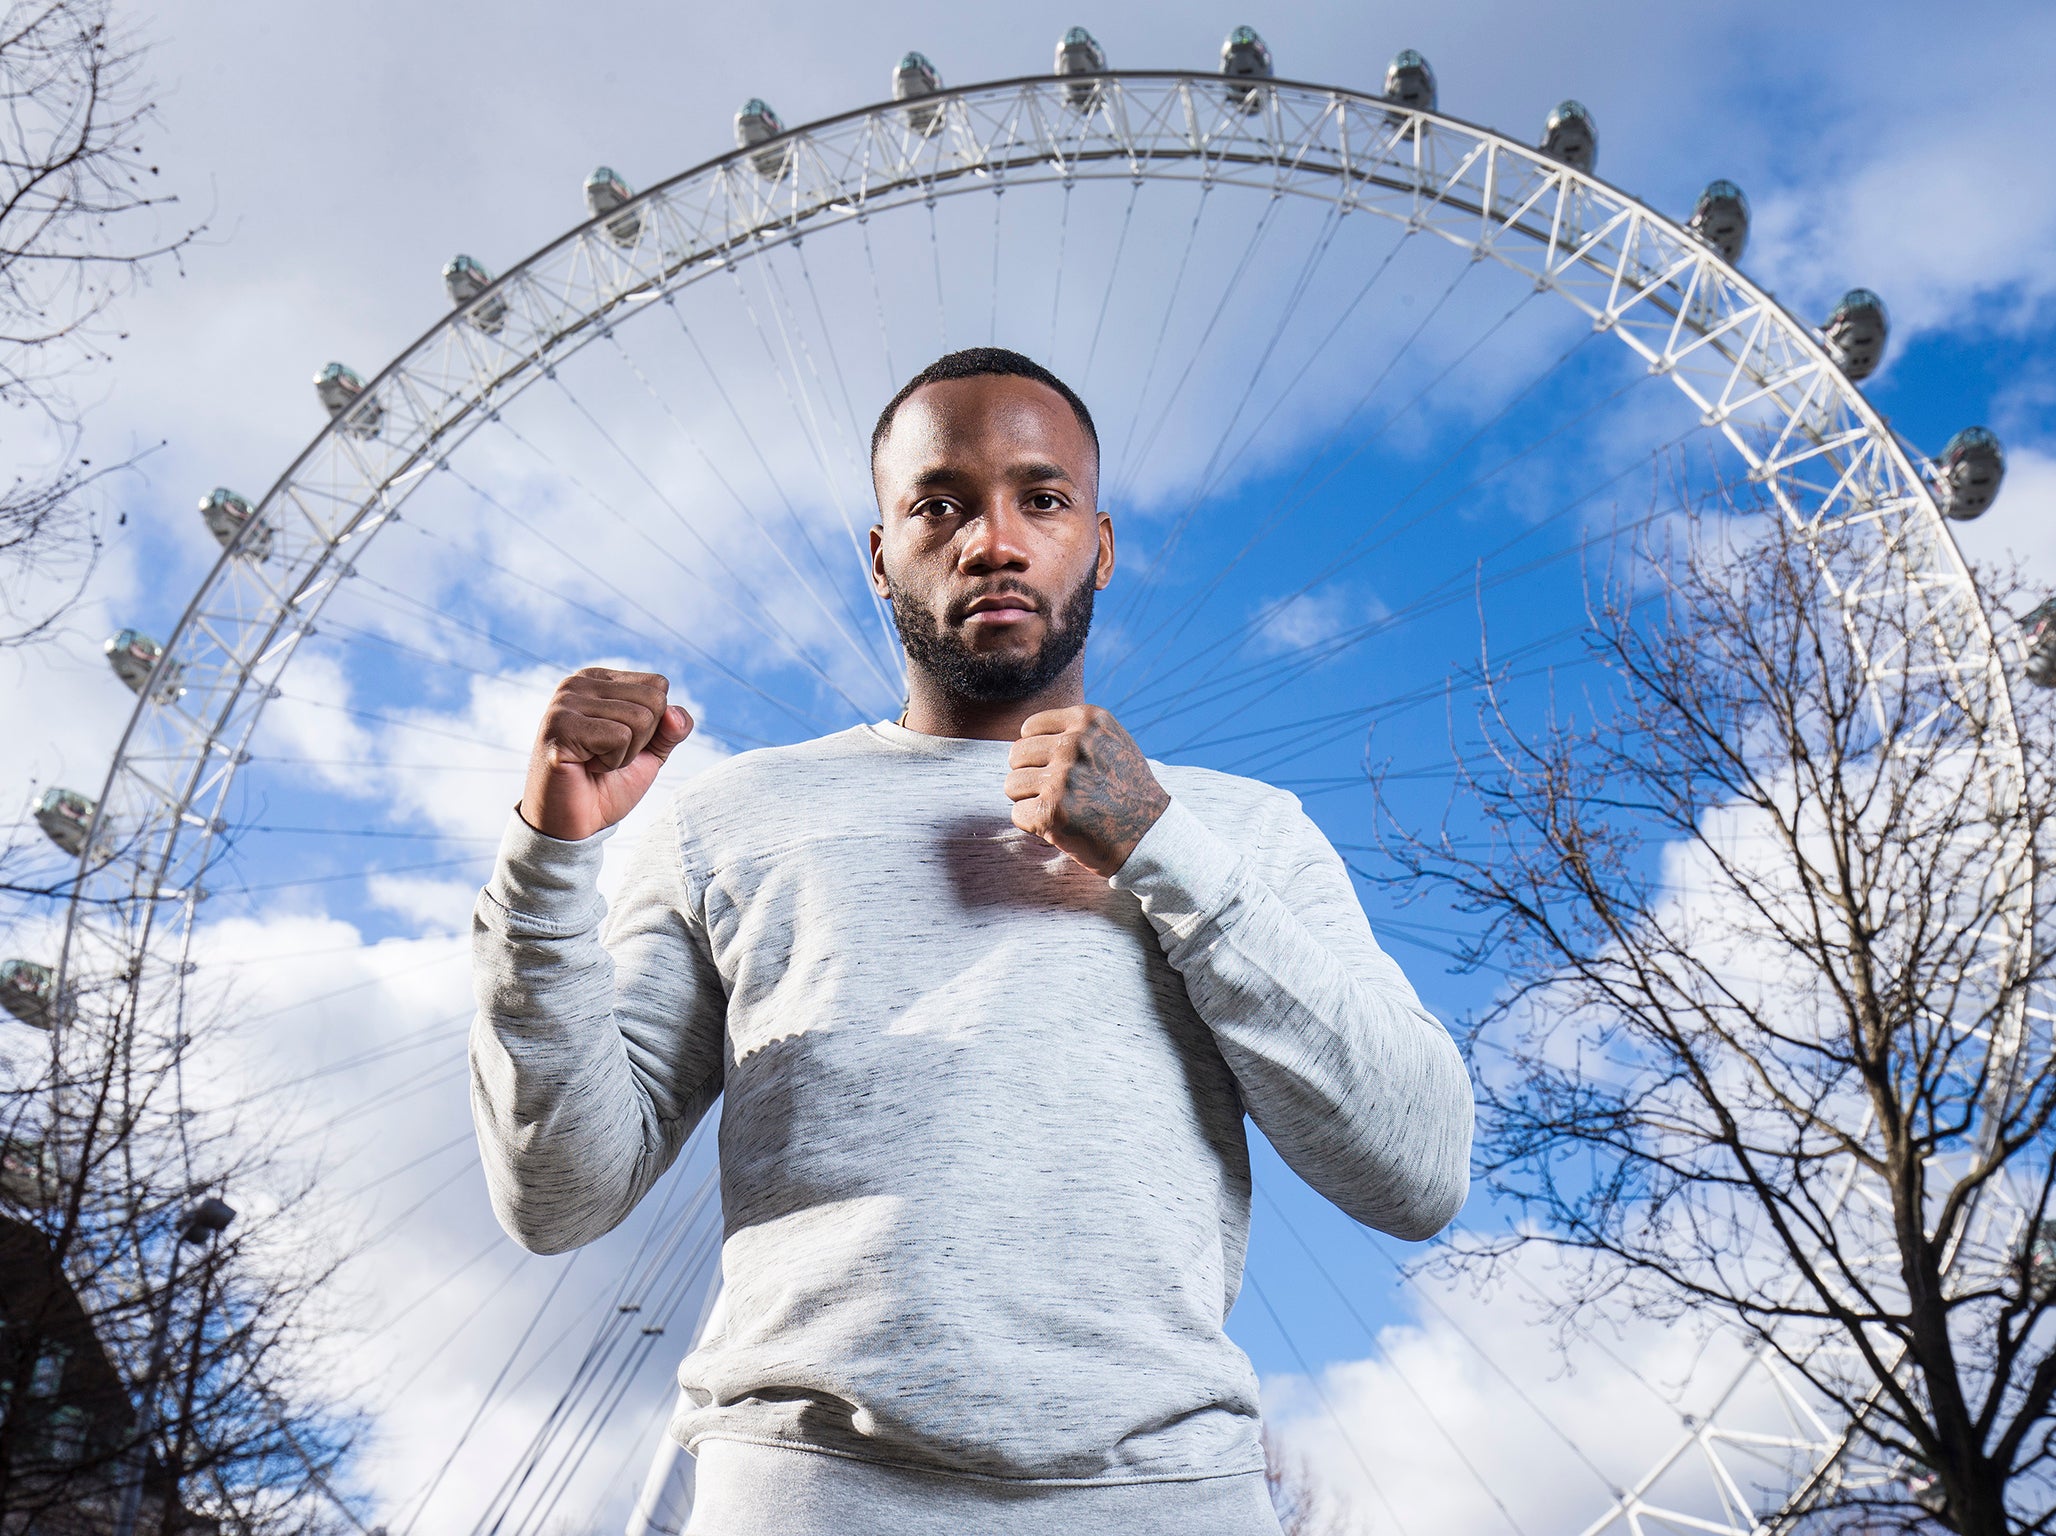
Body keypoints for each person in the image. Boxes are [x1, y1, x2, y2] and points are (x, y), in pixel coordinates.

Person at [470, 347, 1473, 1536]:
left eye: (1039, 499)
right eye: (938, 503)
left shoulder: (1244, 830)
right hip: (802, 1499)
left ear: (1096, 545)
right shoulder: (723, 818)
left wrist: (1161, 848)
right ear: (879, 552)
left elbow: (1418, 1171)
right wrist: (549, 855)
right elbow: (559, 1198)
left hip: (1169, 1502)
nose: (992, 540)